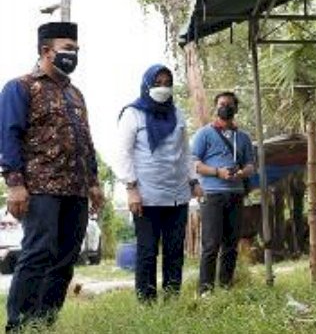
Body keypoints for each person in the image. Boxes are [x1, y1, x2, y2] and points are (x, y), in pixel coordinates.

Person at [0, 22, 104, 332]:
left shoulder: (75, 94)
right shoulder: (20, 87)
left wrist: (95, 182)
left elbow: (85, 140)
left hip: (76, 189)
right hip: (41, 187)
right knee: (37, 254)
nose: (73, 54)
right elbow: (9, 136)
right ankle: (19, 326)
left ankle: (43, 324)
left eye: (76, 49)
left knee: (66, 259)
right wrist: (15, 184)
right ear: (46, 51)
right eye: (67, 48)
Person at [115, 64, 202, 303]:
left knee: (175, 250)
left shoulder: (178, 113)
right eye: (158, 83)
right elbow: (123, 154)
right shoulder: (133, 113)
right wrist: (131, 190)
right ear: (147, 85)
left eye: (167, 83)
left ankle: (172, 298)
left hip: (177, 194)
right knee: (147, 251)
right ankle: (147, 302)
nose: (163, 88)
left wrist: (193, 181)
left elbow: (186, 152)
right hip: (146, 195)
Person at [192, 91, 255, 296]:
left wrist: (241, 173)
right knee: (211, 244)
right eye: (221, 104)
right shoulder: (204, 134)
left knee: (231, 244)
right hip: (212, 195)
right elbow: (194, 164)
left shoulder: (243, 137)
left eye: (229, 104)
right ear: (215, 107)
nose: (224, 107)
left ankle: (226, 286)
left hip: (236, 194)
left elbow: (251, 166)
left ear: (235, 109)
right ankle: (205, 291)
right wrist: (217, 172)